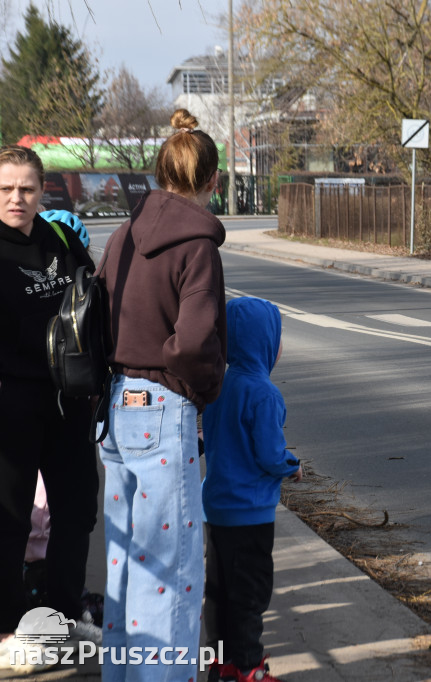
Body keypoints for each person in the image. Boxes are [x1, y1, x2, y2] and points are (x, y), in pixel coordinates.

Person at [98, 109, 227, 682]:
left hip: (116, 408)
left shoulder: (123, 236)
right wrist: (207, 390)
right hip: (162, 411)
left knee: (126, 563)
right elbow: (194, 343)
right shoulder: (197, 245)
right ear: (213, 181)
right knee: (171, 574)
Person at [0, 145, 102, 674]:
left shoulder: (60, 239)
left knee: (77, 510)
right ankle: (7, 629)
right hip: (10, 406)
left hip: (69, 401)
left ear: (43, 192)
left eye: (27, 188)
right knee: (9, 519)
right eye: (6, 189)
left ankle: (62, 613)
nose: (17, 198)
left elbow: (93, 303)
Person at [201, 297, 302, 682]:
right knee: (251, 593)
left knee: (220, 590)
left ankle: (220, 659)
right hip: (251, 512)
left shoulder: (219, 385)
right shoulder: (264, 394)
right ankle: (249, 666)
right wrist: (292, 466)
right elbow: (270, 454)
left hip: (219, 508)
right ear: (264, 341)